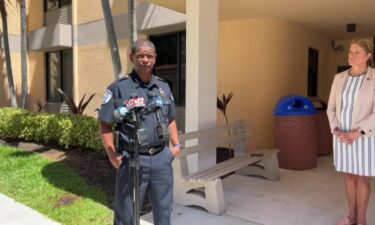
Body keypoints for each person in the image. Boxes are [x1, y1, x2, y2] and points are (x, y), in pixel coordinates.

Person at [99, 39, 180, 225]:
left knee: (164, 212)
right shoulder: (119, 88)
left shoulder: (163, 87)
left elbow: (171, 118)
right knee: (126, 215)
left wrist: (176, 146)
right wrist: (112, 156)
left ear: (155, 59)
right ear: (132, 57)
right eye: (140, 56)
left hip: (161, 159)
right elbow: (105, 124)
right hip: (133, 161)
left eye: (149, 56)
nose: (145, 60)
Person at [327, 38, 375, 225]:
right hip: (342, 137)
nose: (351, 55)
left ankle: (361, 219)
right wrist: (336, 129)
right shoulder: (339, 78)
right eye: (350, 52)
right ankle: (352, 216)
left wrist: (359, 132)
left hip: (364, 137)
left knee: (361, 177)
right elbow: (331, 108)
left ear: (368, 56)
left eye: (357, 52)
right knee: (349, 175)